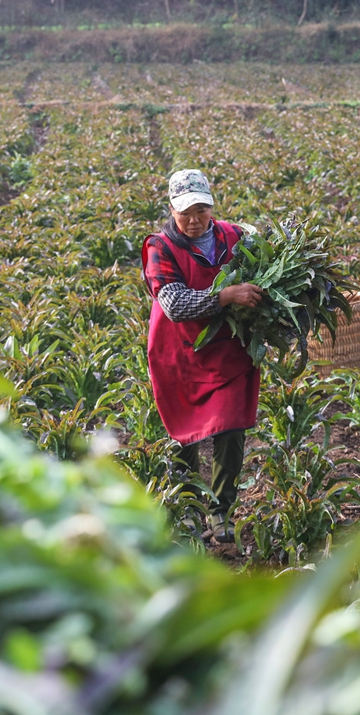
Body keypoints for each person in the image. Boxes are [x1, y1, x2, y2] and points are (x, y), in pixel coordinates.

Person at [141, 169, 264, 543]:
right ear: (171, 211)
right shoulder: (160, 247)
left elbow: (264, 260)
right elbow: (175, 304)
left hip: (227, 349)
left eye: (201, 210)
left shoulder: (234, 236)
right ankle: (190, 505)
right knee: (184, 434)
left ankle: (221, 510)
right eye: (185, 213)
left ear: (211, 206)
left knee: (231, 426)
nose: (194, 220)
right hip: (179, 353)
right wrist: (225, 296)